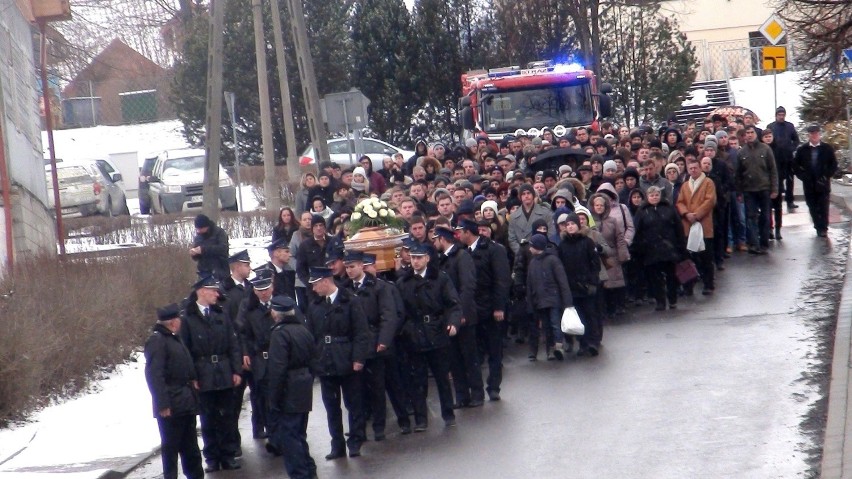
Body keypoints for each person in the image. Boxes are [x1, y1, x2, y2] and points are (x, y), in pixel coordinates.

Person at [179, 275, 243, 472]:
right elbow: (185, 351)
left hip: (223, 369)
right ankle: (212, 457)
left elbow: (233, 344)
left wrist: (236, 369)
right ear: (201, 291)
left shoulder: (220, 314)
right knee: (207, 418)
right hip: (203, 371)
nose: (217, 294)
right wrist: (192, 376)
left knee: (227, 416)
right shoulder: (187, 318)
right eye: (213, 290)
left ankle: (228, 454)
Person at [396, 242, 462, 430]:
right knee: (418, 380)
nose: (415, 261)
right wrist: (406, 330)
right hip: (414, 334)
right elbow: (400, 311)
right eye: (413, 257)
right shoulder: (403, 282)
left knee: (442, 377)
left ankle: (448, 414)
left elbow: (453, 304)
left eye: (419, 257)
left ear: (427, 258)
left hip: (437, 331)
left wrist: (452, 322)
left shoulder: (440, 279)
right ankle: (421, 419)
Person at [305, 266, 370, 459]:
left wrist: (359, 358)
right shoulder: (315, 305)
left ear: (326, 281)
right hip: (325, 362)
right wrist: (315, 359)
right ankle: (337, 445)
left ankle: (356, 440)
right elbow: (313, 335)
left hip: (347, 359)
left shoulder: (350, 300)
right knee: (331, 407)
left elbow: (361, 332)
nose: (314, 289)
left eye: (316, 284)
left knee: (353, 403)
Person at [342, 250, 402, 441]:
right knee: (357, 391)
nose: (349, 271)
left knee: (379, 387)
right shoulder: (345, 289)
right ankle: (359, 429)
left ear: (361, 266)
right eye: (347, 267)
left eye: (352, 267)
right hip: (356, 345)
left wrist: (383, 340)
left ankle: (379, 426)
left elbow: (388, 314)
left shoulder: (378, 287)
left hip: (375, 342)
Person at [144, 303, 204, 479]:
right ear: (172, 322)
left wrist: (193, 379)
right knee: (171, 447)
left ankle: (195, 475)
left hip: (185, 400)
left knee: (190, 446)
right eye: (179, 319)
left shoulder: (174, 338)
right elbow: (155, 375)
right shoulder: (157, 341)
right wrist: (163, 403)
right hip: (171, 404)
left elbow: (183, 363)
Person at [456, 218, 511, 401]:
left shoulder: (495, 250)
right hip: (472, 309)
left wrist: (499, 307)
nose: (458, 235)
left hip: (490, 306)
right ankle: (476, 388)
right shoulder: (463, 252)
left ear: (468, 232)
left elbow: (501, 280)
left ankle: (494, 386)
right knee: (474, 351)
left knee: (494, 349)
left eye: (460, 231)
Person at [265, 295, 318, 479]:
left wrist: (274, 397)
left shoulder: (280, 334)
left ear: (276, 313)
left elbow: (277, 368)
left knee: (290, 437)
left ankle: (300, 474)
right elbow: (314, 359)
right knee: (299, 434)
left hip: (289, 388)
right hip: (303, 385)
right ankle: (309, 471)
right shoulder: (303, 330)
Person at [432, 225, 483, 408]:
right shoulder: (442, 259)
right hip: (448, 316)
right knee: (454, 359)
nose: (433, 243)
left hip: (463, 316)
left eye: (435, 239)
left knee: (469, 356)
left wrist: (461, 312)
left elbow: (467, 287)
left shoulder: (462, 256)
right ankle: (462, 395)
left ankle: (477, 393)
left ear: (442, 239)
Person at [237, 268, 276, 443]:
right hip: (259, 355)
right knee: (261, 395)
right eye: (260, 290)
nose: (264, 293)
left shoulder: (281, 303)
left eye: (266, 289)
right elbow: (242, 332)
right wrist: (246, 352)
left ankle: (277, 431)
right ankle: (265, 428)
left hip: (278, 355)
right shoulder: (248, 307)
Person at [556, 213, 603, 356]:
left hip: (587, 285)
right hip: (571, 287)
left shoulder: (587, 242)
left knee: (590, 314)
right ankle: (582, 343)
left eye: (573, 224)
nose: (570, 227)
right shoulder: (562, 245)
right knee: (579, 316)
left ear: (578, 225)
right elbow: (561, 266)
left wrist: (592, 281)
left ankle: (593, 342)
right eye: (568, 224)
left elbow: (595, 264)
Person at [633, 186, 685, 310]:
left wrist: (680, 245)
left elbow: (678, 227)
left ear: (660, 196)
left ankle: (672, 299)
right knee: (655, 278)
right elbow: (637, 230)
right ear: (647, 197)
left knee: (671, 275)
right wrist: (640, 246)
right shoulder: (642, 211)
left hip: (669, 248)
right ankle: (660, 301)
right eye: (651, 195)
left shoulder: (669, 208)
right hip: (651, 250)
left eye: (656, 195)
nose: (654, 197)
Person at [525, 234, 573, 361]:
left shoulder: (552, 260)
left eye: (531, 245)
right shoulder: (533, 263)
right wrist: (531, 302)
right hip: (540, 300)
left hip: (553, 299)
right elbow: (530, 284)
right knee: (546, 326)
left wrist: (567, 301)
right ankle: (550, 349)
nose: (529, 248)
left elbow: (562, 281)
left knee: (555, 323)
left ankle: (558, 346)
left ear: (537, 246)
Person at [735, 126, 778, 255]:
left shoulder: (766, 149)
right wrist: (739, 192)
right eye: (747, 133)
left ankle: (764, 243)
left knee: (765, 217)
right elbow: (738, 175)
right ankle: (754, 244)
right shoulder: (741, 152)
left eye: (751, 132)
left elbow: (773, 170)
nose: (749, 135)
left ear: (756, 134)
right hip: (749, 190)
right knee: (750, 217)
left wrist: (774, 189)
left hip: (764, 188)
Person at [677, 158, 717, 295]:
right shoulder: (685, 185)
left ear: (700, 168)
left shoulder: (708, 183)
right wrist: (686, 213)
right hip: (689, 224)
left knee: (706, 256)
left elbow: (710, 200)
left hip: (703, 223)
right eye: (690, 169)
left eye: (695, 168)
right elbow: (680, 202)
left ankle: (708, 284)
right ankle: (689, 284)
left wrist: (697, 214)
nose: (693, 171)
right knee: (689, 257)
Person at [793, 124, 839, 238]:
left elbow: (833, 164)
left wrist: (827, 175)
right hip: (809, 183)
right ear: (808, 135)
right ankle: (817, 226)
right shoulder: (802, 149)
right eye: (812, 133)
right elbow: (795, 166)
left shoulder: (827, 148)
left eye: (816, 133)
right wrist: (803, 176)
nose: (814, 135)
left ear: (819, 134)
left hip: (823, 183)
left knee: (823, 206)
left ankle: (823, 228)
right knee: (812, 206)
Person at [765, 106, 800, 209]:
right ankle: (776, 202)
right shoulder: (771, 126)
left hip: (788, 158)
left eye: (783, 115)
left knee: (790, 180)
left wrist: (791, 148)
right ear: (776, 115)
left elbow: (796, 140)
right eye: (779, 115)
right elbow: (767, 140)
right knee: (777, 181)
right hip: (776, 158)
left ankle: (790, 201)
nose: (781, 117)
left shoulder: (790, 126)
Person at [508, 184, 553, 254]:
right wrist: (521, 253)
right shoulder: (513, 217)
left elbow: (551, 233)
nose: (526, 196)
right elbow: (512, 239)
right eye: (523, 194)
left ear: (533, 195)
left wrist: (541, 250)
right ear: (520, 197)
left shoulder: (545, 213)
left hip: (541, 253)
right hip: (522, 257)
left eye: (528, 193)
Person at [190, 214, 229, 279]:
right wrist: (194, 254)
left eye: (200, 229)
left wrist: (203, 250)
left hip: (220, 270)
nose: (198, 231)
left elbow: (223, 249)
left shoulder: (219, 233)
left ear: (206, 226)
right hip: (203, 272)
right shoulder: (198, 237)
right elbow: (197, 257)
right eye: (197, 229)